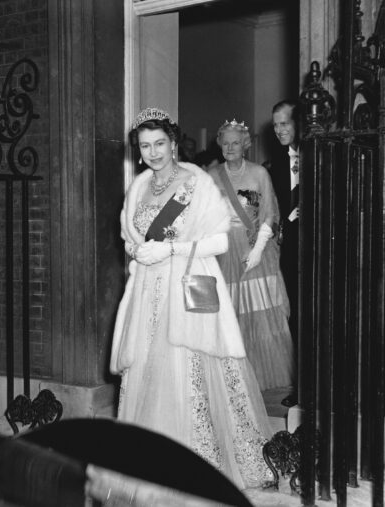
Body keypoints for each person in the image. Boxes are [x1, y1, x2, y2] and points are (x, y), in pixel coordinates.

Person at [102, 108, 272, 503]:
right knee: (148, 371)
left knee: (189, 370)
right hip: (147, 293)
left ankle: (196, 464)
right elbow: (130, 236)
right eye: (145, 146)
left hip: (186, 287)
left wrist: (170, 248)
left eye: (160, 144)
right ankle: (147, 461)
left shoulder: (196, 184)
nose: (153, 152)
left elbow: (220, 241)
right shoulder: (139, 187)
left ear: (174, 143)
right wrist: (137, 249)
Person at [208, 119, 294, 392]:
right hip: (223, 252)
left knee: (258, 311)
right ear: (219, 145)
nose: (230, 147)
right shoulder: (211, 175)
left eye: (236, 142)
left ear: (245, 145)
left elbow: (270, 212)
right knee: (231, 313)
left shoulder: (259, 174)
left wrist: (257, 250)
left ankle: (260, 376)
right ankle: (235, 378)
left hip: (255, 248)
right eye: (225, 143)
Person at [270, 100, 300, 408]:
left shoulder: (320, 153)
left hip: (322, 246)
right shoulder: (276, 162)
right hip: (290, 250)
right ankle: (303, 387)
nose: (279, 129)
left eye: (284, 123)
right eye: (276, 124)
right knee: (296, 316)